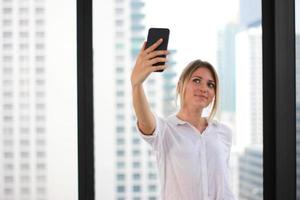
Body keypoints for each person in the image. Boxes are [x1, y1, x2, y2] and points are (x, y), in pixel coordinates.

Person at [131, 38, 236, 200]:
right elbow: (145, 121)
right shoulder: (165, 130)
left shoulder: (224, 132)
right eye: (196, 81)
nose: (203, 88)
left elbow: (224, 187)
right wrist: (137, 85)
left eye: (210, 85)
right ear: (180, 86)